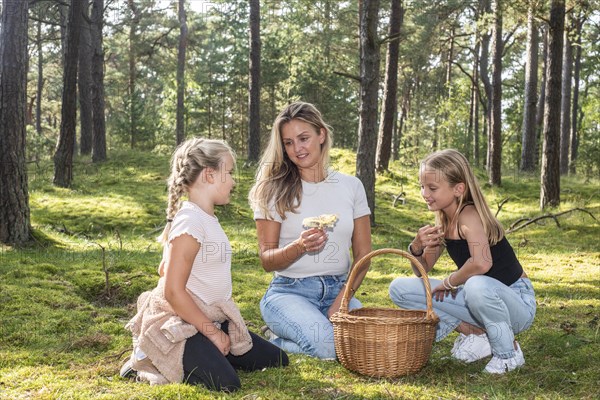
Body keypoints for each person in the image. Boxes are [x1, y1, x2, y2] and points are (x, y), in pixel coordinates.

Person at [121, 138, 288, 392]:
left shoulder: (205, 218)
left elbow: (167, 269)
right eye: (229, 172)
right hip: (180, 323)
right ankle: (147, 356)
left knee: (277, 360)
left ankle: (210, 350)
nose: (233, 181)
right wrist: (212, 333)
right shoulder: (191, 222)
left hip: (209, 316)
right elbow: (172, 292)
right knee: (226, 384)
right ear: (209, 175)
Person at [389, 149, 536, 374]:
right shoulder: (443, 221)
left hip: (516, 301)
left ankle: (509, 353)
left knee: (475, 284)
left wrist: (449, 282)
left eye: (432, 188)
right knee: (400, 289)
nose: (424, 193)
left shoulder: (469, 215)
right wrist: (416, 246)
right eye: (422, 186)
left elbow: (482, 263)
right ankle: (478, 334)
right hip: (478, 300)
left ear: (458, 189)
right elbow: (422, 270)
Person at [248, 102, 372, 360]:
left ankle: (300, 333)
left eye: (303, 138)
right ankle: (274, 340)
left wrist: (343, 298)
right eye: (289, 143)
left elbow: (363, 254)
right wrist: (299, 247)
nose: (297, 149)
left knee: (367, 343)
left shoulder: (351, 186)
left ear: (321, 135)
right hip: (289, 292)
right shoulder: (274, 189)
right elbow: (266, 260)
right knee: (331, 347)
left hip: (339, 288)